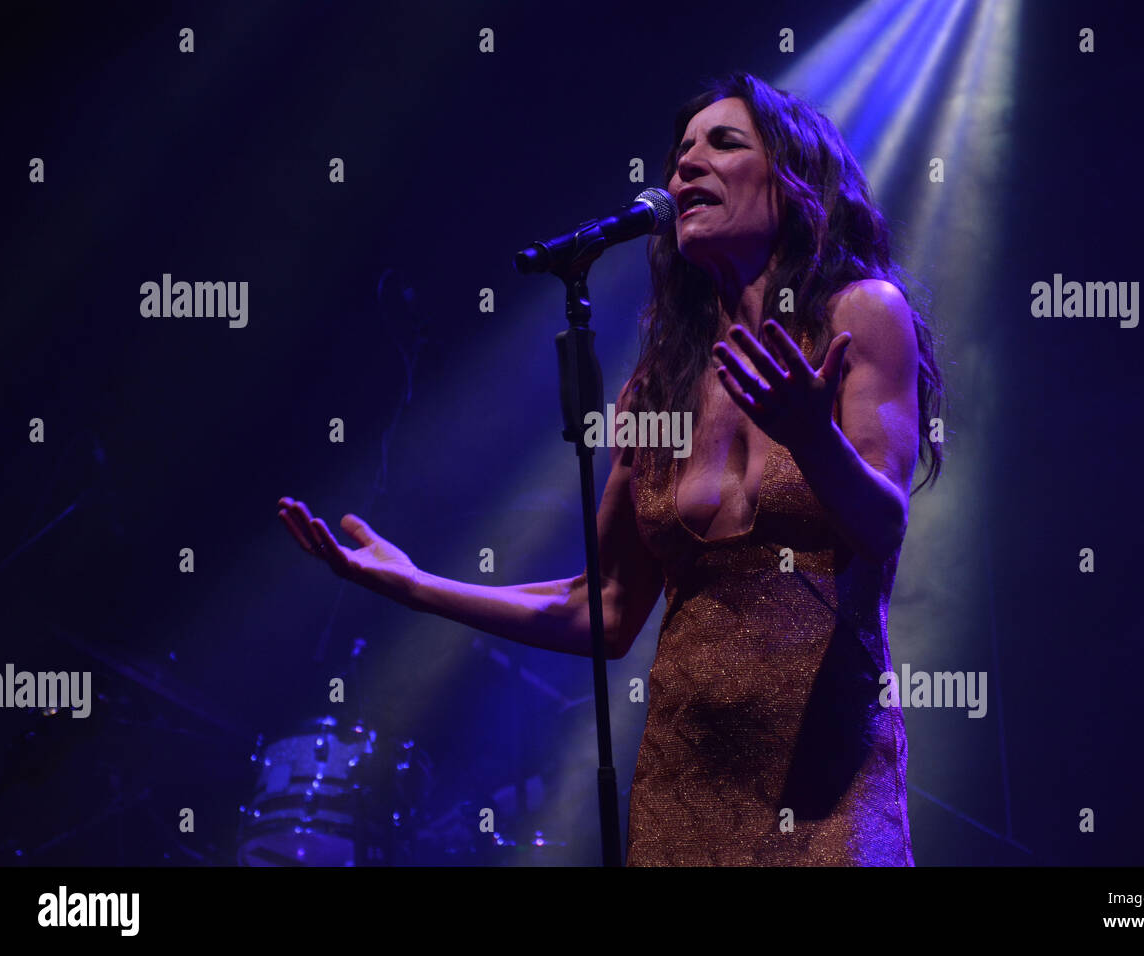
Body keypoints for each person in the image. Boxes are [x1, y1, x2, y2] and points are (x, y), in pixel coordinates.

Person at [278, 71, 945, 866]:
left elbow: (880, 523)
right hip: (682, 794)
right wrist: (414, 584)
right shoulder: (657, 386)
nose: (685, 167)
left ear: (794, 181)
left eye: (723, 144)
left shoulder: (861, 314)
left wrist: (812, 435)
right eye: (679, 153)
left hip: (827, 789)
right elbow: (608, 608)